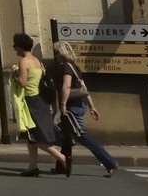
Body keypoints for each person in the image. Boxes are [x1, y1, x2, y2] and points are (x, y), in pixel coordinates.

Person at [52, 42, 119, 178]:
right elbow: (84, 88)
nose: (55, 56)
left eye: (56, 53)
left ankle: (110, 163)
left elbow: (67, 86)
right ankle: (62, 166)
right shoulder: (75, 67)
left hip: (72, 107)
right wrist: (91, 106)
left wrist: (63, 104)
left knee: (83, 136)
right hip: (79, 105)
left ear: (62, 53)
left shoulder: (66, 67)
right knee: (67, 136)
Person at [9, 33, 69, 177]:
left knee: (33, 137)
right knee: (33, 136)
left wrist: (14, 73)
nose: (14, 49)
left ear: (20, 47)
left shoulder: (23, 62)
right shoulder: (37, 60)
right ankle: (33, 166)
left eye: (15, 46)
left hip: (31, 101)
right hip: (40, 99)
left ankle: (62, 158)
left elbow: (22, 83)